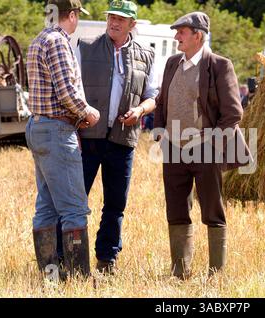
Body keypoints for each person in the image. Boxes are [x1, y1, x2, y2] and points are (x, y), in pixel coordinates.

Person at [154, 12, 250, 279]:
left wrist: (211, 143)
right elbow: (162, 101)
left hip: (205, 147)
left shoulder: (219, 65)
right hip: (173, 148)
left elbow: (233, 114)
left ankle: (215, 274)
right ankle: (180, 273)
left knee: (212, 210)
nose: (176, 37)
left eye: (181, 32)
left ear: (198, 35)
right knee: (175, 209)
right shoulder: (173, 63)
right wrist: (160, 132)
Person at [74, 0, 157, 274]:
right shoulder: (85, 48)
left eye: (121, 19)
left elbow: (152, 96)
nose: (114, 22)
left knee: (115, 205)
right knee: (76, 200)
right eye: (111, 17)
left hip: (123, 140)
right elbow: (72, 90)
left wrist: (140, 110)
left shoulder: (146, 55)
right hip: (88, 138)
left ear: (132, 24)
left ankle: (106, 260)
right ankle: (71, 258)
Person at [25, 0, 100, 279]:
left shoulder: (38, 39)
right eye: (77, 15)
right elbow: (67, 92)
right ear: (71, 14)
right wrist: (88, 112)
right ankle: (79, 278)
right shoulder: (58, 41)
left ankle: (51, 276)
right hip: (57, 130)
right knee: (74, 209)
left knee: (46, 206)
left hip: (39, 127)